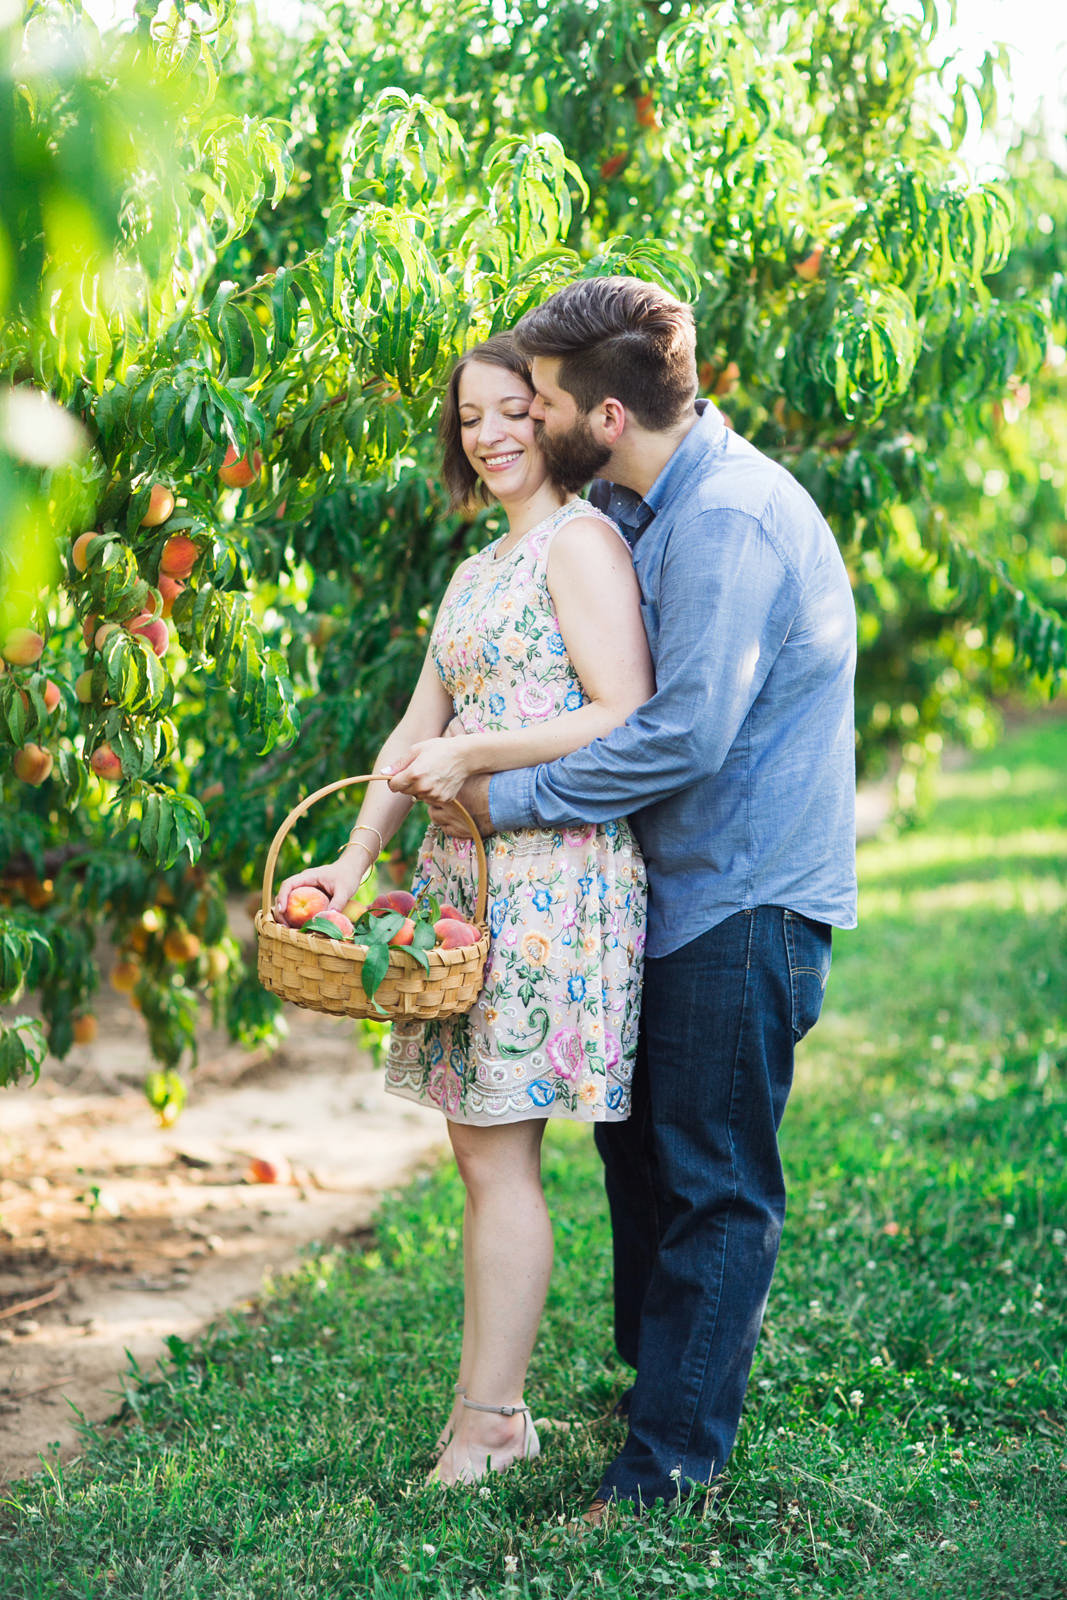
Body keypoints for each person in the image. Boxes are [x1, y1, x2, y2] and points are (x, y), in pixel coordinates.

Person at [410, 277, 858, 1516]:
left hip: (743, 896)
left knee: (710, 1183)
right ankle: (658, 1390)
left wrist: (498, 799)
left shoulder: (727, 522)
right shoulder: (639, 499)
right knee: (640, 1163)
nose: (522, 417)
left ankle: (667, 1468)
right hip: (668, 893)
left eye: (542, 400)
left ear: (604, 414)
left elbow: (679, 737)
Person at [274, 332, 653, 1486]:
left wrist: (477, 748)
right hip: (466, 883)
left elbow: (623, 708)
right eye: (469, 418)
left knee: (498, 1158)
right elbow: (408, 733)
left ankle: (490, 1422)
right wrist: (350, 862)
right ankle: (488, 1414)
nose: (487, 433)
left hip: (550, 877)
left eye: (508, 411)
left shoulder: (578, 544)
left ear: (552, 418)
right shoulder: (477, 568)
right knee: (480, 1155)